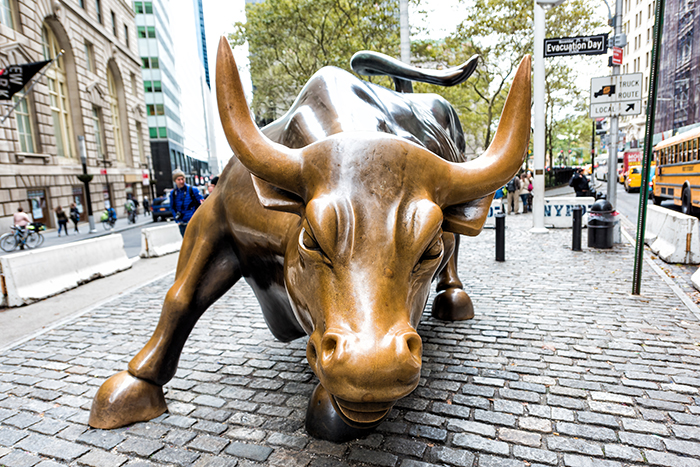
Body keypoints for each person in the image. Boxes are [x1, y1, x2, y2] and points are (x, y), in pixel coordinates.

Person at [170, 169, 203, 236]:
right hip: (182, 223)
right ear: (175, 181)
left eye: (182, 179)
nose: (181, 181)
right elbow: (172, 207)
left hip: (193, 222)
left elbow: (202, 204)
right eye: (178, 180)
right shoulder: (173, 193)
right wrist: (177, 220)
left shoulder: (193, 190)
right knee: (186, 243)